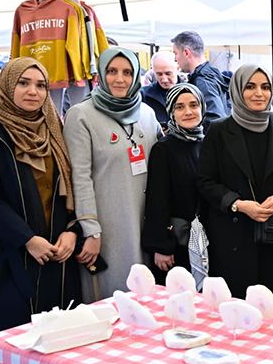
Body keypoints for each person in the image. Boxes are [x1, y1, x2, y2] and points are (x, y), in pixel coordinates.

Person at [0, 57, 81, 364]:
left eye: (40, 85)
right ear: (7, 86)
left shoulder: (53, 127)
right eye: (24, 83)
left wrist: (71, 231)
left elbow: (69, 186)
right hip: (9, 249)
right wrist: (25, 239)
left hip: (55, 245)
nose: (32, 91)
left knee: (54, 322)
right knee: (16, 327)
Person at [198, 64, 273, 307]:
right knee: (237, 311)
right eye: (250, 86)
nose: (259, 93)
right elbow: (205, 181)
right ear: (237, 90)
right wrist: (237, 204)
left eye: (265, 87)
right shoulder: (218, 131)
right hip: (233, 238)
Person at [64, 47, 163, 302]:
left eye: (127, 72)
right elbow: (80, 178)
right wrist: (91, 230)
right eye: (112, 71)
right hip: (108, 228)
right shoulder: (81, 115)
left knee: (146, 300)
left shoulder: (147, 114)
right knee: (113, 301)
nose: (120, 79)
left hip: (146, 225)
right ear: (101, 74)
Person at [142, 83, 205, 284]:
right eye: (180, 107)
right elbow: (157, 201)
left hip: (204, 240)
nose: (188, 112)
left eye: (194, 105)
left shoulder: (207, 143)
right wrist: (162, 246)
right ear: (171, 111)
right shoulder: (164, 149)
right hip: (176, 244)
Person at [171, 31, 231, 123]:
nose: (175, 59)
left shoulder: (203, 81)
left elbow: (215, 119)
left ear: (186, 52)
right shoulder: (212, 74)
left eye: (175, 53)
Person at [140, 51, 182, 128]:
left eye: (168, 73)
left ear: (178, 68)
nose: (164, 79)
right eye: (159, 74)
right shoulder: (143, 95)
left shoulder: (192, 92)